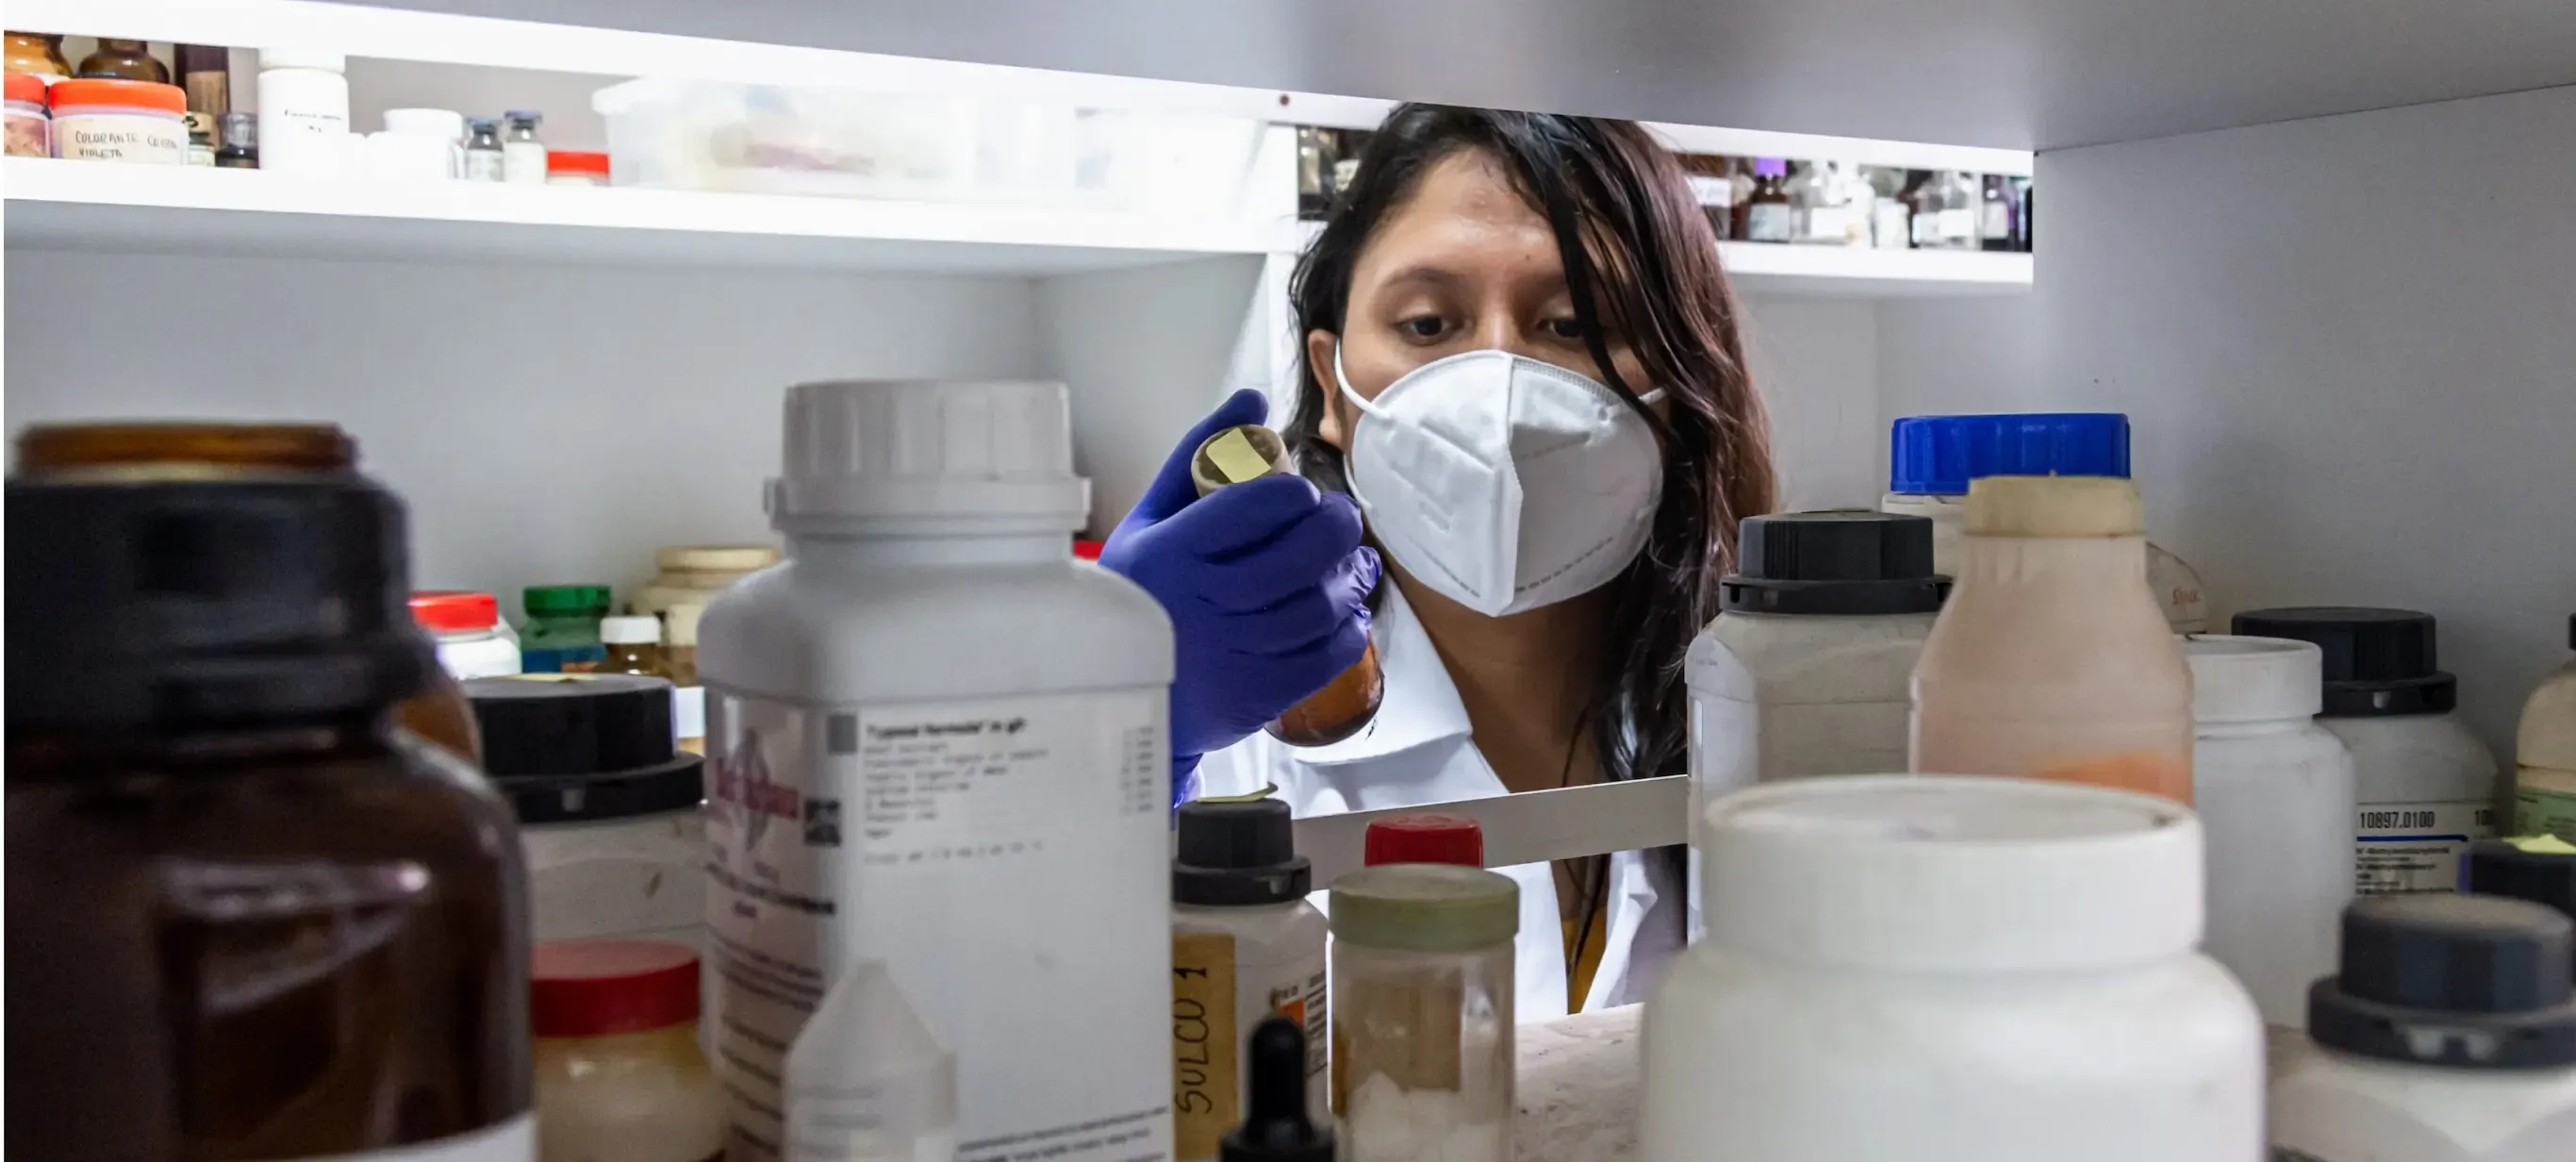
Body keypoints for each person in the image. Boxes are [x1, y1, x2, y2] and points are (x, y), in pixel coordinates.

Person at [1100, 105, 1776, 1018]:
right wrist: (1119, 736)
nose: (1497, 382)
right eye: (1425, 324)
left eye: (1572, 321)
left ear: (1683, 383)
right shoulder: (1239, 740)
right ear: (1331, 379)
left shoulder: (1766, 710)